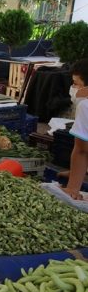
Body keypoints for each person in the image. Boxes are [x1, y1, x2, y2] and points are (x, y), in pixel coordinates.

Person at [62, 59, 88, 201]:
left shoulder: (85, 106)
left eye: (76, 84)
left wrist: (72, 188)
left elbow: (82, 150)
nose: (73, 88)